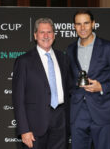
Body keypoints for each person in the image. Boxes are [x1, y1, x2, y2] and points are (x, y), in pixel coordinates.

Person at [67, 9, 110, 149]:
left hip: (103, 111)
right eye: (78, 24)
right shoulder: (70, 50)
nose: (82, 28)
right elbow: (69, 79)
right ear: (74, 27)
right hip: (78, 113)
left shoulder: (108, 47)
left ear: (93, 24)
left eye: (86, 23)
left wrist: (102, 87)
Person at [12, 18, 70, 149]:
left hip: (61, 120)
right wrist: (24, 130)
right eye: (42, 32)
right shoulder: (23, 61)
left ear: (54, 35)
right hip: (34, 125)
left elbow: (69, 89)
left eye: (49, 32)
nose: (46, 36)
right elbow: (18, 98)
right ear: (35, 35)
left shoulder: (63, 58)